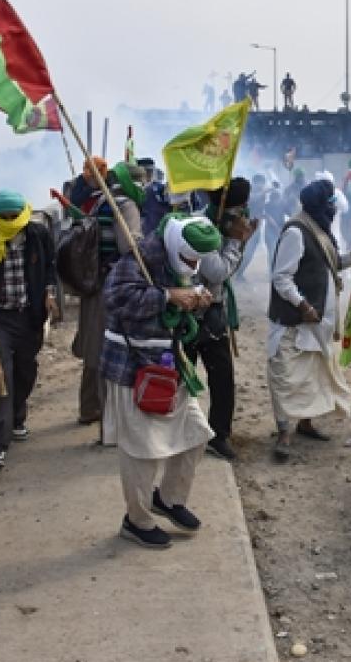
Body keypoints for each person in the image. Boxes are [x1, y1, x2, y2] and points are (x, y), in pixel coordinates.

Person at [101, 215, 223, 549]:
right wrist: (167, 296)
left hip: (171, 364)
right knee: (142, 450)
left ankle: (169, 499)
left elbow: (176, 306)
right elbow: (116, 300)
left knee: (196, 433)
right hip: (133, 367)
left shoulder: (179, 260)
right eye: (190, 259)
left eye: (199, 261)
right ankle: (136, 520)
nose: (194, 265)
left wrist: (194, 300)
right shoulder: (139, 258)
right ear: (176, 246)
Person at [267, 179, 351, 461]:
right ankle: (284, 433)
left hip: (318, 322)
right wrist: (303, 305)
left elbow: (332, 263)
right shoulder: (296, 232)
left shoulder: (319, 229)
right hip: (294, 322)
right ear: (320, 206)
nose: (334, 208)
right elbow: (281, 277)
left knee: (312, 376)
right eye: (330, 203)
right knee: (286, 377)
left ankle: (305, 424)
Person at [0, 190, 59, 469]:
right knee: (1, 375)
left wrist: (49, 293)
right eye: (3, 217)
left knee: (25, 370)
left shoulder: (37, 236)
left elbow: (50, 268)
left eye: (13, 216)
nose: (9, 220)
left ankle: (17, 415)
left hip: (30, 317)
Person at [185, 177, 257, 461]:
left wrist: (237, 241)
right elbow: (217, 272)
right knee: (184, 376)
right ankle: (179, 431)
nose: (243, 216)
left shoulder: (224, 227)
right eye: (239, 210)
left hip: (214, 311)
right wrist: (236, 243)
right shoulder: (202, 229)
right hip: (192, 313)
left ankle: (220, 434)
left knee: (223, 377)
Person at [73, 158, 144, 431]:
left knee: (92, 344)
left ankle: (88, 407)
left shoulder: (100, 201)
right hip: (111, 285)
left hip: (91, 282)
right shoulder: (125, 206)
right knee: (108, 349)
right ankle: (108, 423)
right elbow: (129, 246)